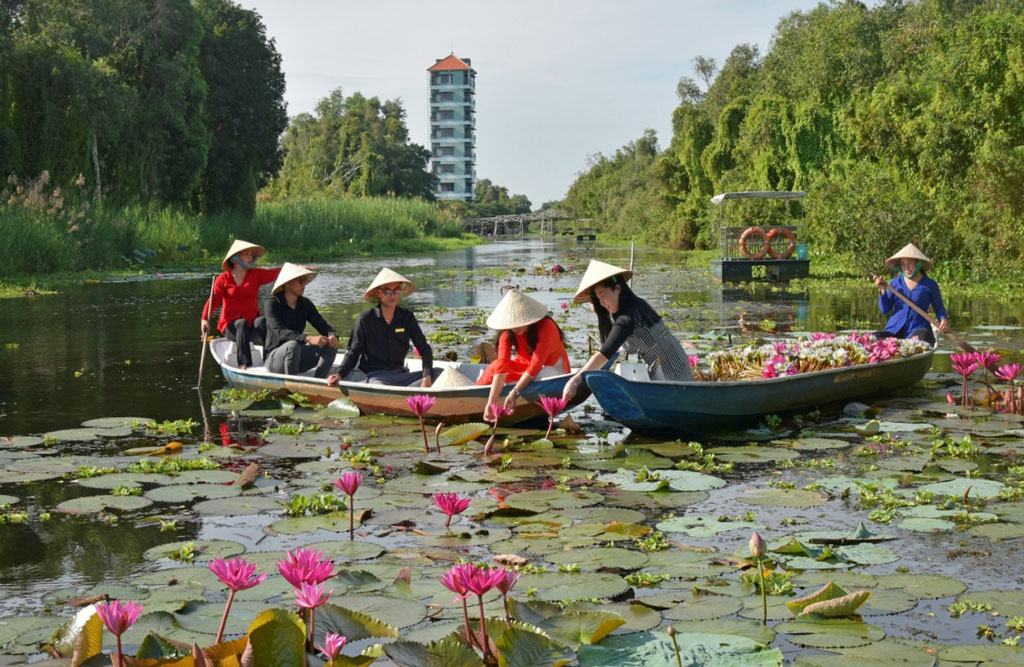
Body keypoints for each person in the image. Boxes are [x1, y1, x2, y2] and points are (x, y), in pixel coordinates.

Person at [563, 260, 692, 402]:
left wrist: (575, 380)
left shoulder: (627, 319)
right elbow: (615, 339)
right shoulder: (637, 306)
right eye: (598, 299)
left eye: (603, 295)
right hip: (676, 365)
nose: (601, 303)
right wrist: (599, 311)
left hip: (671, 374)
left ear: (617, 288)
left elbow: (604, 353)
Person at [328, 268, 438, 387]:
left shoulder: (407, 317)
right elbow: (353, 353)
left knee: (438, 373)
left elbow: (424, 348)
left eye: (396, 290)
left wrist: (426, 377)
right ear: (378, 293)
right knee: (379, 385)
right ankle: (407, 394)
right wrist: (339, 374)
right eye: (387, 291)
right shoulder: (365, 320)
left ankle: (410, 392)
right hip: (376, 377)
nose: (393, 296)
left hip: (401, 374)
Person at [477, 289, 570, 416]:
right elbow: (502, 366)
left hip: (551, 368)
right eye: (512, 324)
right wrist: (491, 402)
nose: (516, 327)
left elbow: (536, 366)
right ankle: (476, 391)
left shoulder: (547, 327)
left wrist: (514, 392)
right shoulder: (506, 334)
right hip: (525, 366)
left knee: (543, 374)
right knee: (494, 367)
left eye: (520, 322)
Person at [200, 240, 281, 369]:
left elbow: (275, 273)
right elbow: (213, 301)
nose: (250, 257)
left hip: (250, 327)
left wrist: (295, 270)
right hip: (231, 327)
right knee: (241, 323)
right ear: (236, 258)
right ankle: (244, 364)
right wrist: (204, 319)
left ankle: (270, 359)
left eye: (251, 255)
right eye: (246, 254)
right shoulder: (223, 279)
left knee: (262, 321)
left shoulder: (255, 275)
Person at [263, 263, 339, 378]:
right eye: (300, 282)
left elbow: (323, 326)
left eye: (304, 282)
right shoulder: (272, 304)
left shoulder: (305, 304)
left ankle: (319, 382)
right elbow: (280, 332)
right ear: (288, 283)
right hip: (275, 359)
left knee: (330, 345)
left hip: (298, 355)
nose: (304, 285)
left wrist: (332, 335)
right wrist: (307, 338)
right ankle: (292, 387)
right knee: (293, 346)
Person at [871, 243, 948, 346]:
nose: (906, 267)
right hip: (894, 329)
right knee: (873, 338)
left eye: (909, 263)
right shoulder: (895, 283)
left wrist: (943, 320)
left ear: (918, 263)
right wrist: (883, 290)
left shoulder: (930, 285)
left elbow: (939, 307)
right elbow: (885, 310)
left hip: (918, 328)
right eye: (903, 264)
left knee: (922, 338)